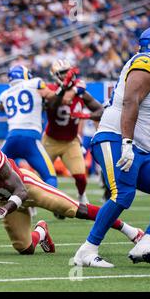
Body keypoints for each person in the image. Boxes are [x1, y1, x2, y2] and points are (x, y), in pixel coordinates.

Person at [0, 141, 144, 255]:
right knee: (24, 249)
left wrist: (5, 209)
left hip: (26, 186)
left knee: (75, 210)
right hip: (6, 202)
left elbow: (21, 192)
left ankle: (130, 230)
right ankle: (41, 231)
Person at [73, 27, 150, 267]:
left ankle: (147, 242)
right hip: (116, 138)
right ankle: (86, 251)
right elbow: (130, 102)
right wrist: (126, 143)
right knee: (123, 193)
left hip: (141, 146)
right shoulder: (145, 61)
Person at [0, 65, 76, 222]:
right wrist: (60, 90)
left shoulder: (4, 95)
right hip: (30, 138)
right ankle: (58, 207)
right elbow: (52, 98)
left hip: (11, 138)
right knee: (50, 175)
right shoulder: (35, 83)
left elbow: (5, 107)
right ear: (27, 76)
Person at [43, 59, 103, 205]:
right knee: (40, 175)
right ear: (56, 75)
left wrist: (87, 116)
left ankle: (81, 196)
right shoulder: (50, 89)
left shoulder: (80, 93)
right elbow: (52, 105)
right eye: (63, 73)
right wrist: (66, 89)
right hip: (50, 140)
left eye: (68, 71)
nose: (67, 75)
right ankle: (31, 203)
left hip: (71, 141)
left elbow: (100, 110)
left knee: (81, 176)